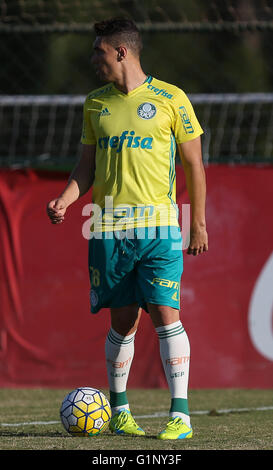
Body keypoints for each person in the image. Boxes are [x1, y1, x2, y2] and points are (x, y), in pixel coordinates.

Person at [47, 17, 208, 440]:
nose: (92, 58)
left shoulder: (171, 99)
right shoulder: (95, 104)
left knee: (166, 314)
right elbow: (86, 166)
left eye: (99, 50)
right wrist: (65, 199)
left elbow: (194, 164)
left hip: (159, 228)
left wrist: (198, 224)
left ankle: (181, 417)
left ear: (121, 51)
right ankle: (120, 412)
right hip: (106, 228)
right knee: (122, 323)